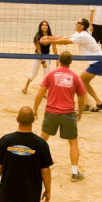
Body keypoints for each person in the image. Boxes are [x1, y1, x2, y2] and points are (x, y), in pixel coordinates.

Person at [33, 51, 86, 181]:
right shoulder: (75, 76)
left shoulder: (51, 74)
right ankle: (74, 172)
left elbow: (40, 92)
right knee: (73, 142)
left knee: (42, 140)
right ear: (71, 62)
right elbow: (81, 96)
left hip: (51, 112)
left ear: (58, 60)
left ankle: (32, 166)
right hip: (68, 113)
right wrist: (80, 112)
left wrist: (35, 109)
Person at [40, 18, 102, 112]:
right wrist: (49, 38)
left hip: (99, 62)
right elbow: (65, 37)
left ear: (82, 26)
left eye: (78, 23)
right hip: (98, 61)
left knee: (80, 81)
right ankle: (97, 102)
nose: (76, 23)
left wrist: (50, 41)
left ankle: (88, 104)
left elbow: (66, 42)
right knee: (84, 82)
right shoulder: (79, 34)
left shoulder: (83, 36)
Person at [22, 20, 58, 94]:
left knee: (46, 76)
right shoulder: (37, 37)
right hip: (38, 57)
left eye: (46, 25)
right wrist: (42, 61)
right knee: (33, 75)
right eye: (43, 25)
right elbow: (38, 50)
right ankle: (26, 85)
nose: (45, 26)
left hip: (47, 56)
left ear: (48, 27)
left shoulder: (51, 36)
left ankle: (44, 92)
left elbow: (54, 48)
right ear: (40, 27)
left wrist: (57, 59)